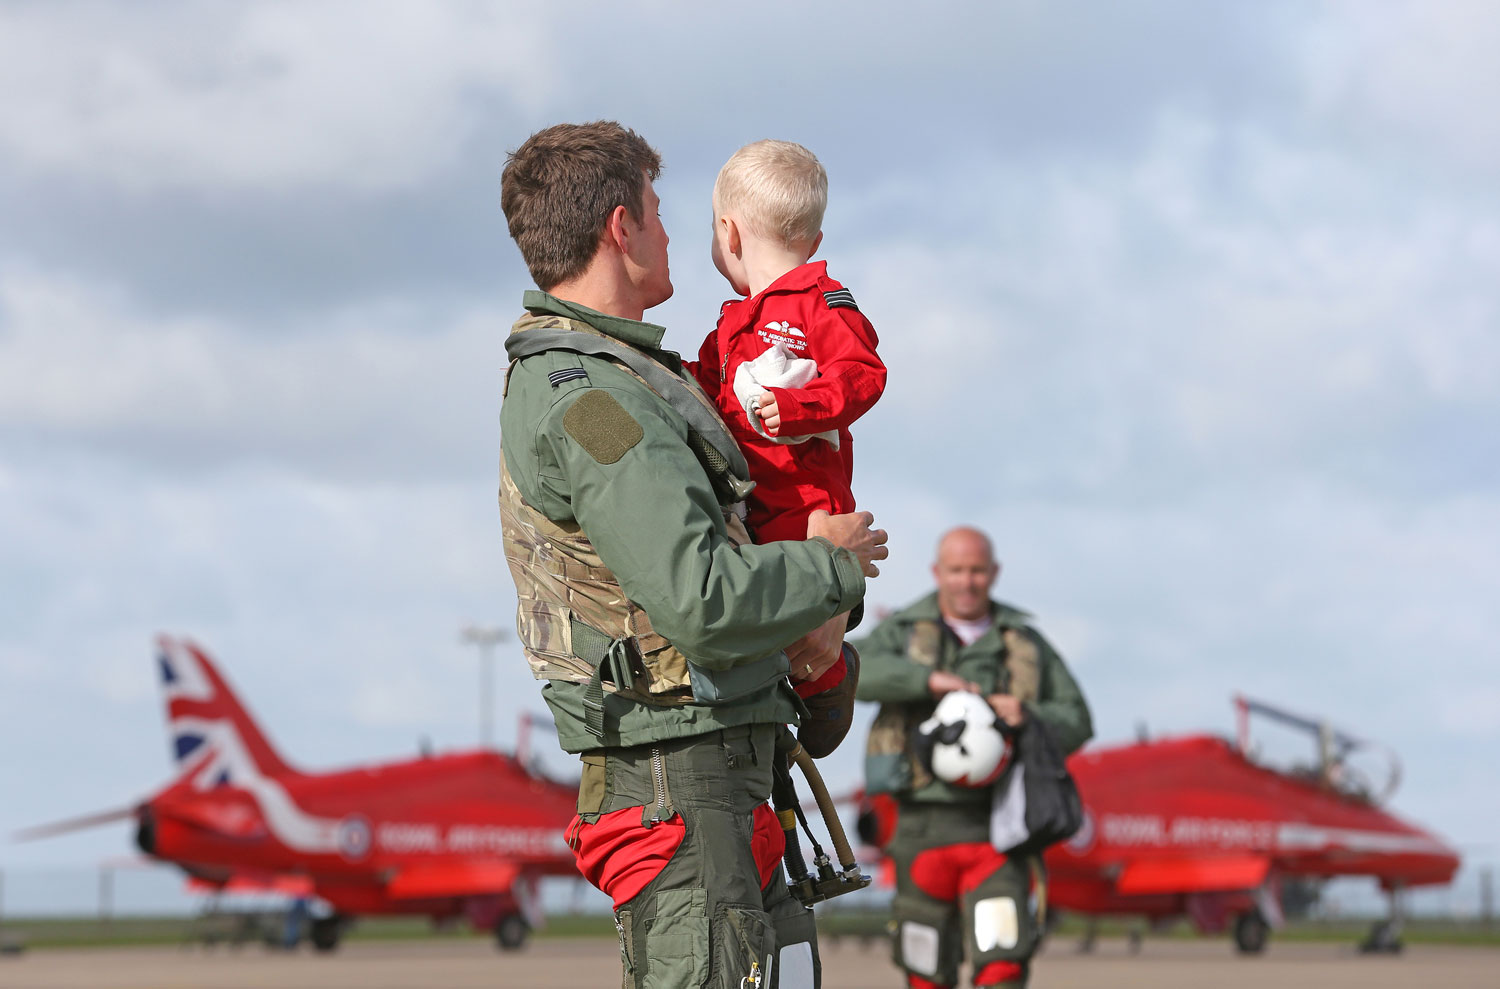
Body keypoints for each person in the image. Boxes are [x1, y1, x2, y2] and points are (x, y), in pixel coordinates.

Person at [497, 120, 888, 989]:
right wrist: (829, 565)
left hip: (720, 773)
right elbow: (701, 596)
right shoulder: (595, 404)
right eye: (659, 209)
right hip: (682, 781)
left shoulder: (641, 378)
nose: (676, 232)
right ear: (619, 228)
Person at [686, 139, 887, 711]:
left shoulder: (822, 301)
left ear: (728, 235)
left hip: (804, 499)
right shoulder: (728, 326)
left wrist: (802, 407)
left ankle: (829, 687)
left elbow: (865, 373)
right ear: (814, 236)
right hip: (750, 495)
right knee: (752, 601)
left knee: (798, 610)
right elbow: (700, 384)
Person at [855, 527, 1092, 989]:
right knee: (923, 963)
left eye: (977, 570)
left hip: (998, 829)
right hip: (921, 824)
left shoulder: (1024, 642)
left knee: (1002, 960)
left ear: (994, 573)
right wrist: (927, 681)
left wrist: (1028, 715)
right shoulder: (903, 632)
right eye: (957, 570)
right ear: (938, 573)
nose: (967, 581)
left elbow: (1077, 719)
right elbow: (850, 668)